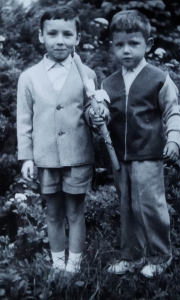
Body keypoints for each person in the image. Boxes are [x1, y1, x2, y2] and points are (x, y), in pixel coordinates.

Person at [17, 6, 108, 274]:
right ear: (41, 36)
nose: (60, 40)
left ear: (77, 38)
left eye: (68, 34)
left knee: (75, 212)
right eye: (53, 33)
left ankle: (74, 267)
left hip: (77, 156)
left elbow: (92, 112)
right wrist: (26, 157)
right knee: (53, 213)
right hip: (45, 157)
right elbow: (24, 121)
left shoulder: (87, 74)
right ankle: (58, 266)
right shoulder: (29, 78)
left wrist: (98, 116)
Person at [95, 10, 180, 278]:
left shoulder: (158, 78)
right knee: (127, 207)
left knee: (149, 205)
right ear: (112, 46)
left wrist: (174, 139)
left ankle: (160, 255)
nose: (126, 50)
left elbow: (173, 111)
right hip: (119, 157)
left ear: (149, 43)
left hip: (149, 153)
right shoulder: (108, 83)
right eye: (119, 44)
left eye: (133, 43)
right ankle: (132, 256)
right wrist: (96, 115)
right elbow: (100, 115)